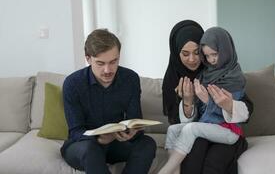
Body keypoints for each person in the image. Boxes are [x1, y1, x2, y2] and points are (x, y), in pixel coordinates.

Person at [162, 20, 253, 174]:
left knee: (214, 162)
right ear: (176, 52)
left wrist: (228, 105)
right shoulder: (173, 80)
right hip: (198, 133)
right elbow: (179, 125)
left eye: (197, 52)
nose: (192, 59)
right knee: (191, 159)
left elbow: (247, 108)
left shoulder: (223, 71)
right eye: (185, 53)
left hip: (225, 132)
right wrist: (188, 103)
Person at [60, 29, 156, 174]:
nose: (107, 70)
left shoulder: (130, 79)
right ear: (88, 58)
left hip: (117, 143)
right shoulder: (72, 83)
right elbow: (75, 132)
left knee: (147, 144)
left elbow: (134, 120)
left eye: (113, 62)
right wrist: (99, 139)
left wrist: (132, 133)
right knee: (90, 149)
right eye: (100, 63)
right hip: (84, 146)